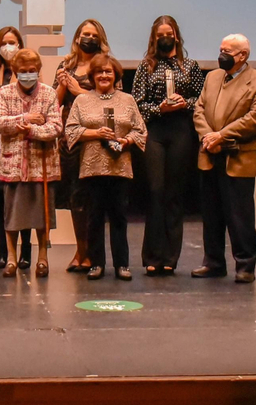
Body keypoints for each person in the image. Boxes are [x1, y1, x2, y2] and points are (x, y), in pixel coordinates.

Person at [192, 34, 256, 283]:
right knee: (211, 215)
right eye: (220, 49)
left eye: (227, 51)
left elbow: (254, 119)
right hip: (210, 154)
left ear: (242, 55)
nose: (221, 55)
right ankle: (213, 262)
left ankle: (245, 265)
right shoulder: (212, 77)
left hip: (238, 157)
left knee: (240, 216)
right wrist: (208, 136)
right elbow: (199, 109)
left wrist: (221, 136)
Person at [131, 15, 205, 276]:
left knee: (174, 193)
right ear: (154, 38)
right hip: (155, 130)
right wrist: (159, 109)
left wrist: (186, 103)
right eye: (160, 34)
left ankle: (170, 257)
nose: (165, 38)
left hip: (181, 130)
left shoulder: (190, 66)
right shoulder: (146, 66)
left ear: (176, 36)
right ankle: (152, 255)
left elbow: (202, 99)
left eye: (169, 33)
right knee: (156, 190)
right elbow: (137, 104)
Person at [64, 53, 146, 280]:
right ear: (92, 76)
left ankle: (122, 265)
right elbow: (70, 131)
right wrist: (95, 133)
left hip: (120, 166)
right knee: (94, 217)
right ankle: (96, 264)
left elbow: (140, 131)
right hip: (92, 167)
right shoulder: (82, 101)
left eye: (108, 72)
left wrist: (126, 141)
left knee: (119, 216)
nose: (103, 75)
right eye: (99, 72)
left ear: (115, 75)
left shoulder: (127, 100)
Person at [0, 49, 62, 278]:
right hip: (13, 165)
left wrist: (31, 130)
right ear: (15, 71)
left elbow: (55, 127)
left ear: (38, 70)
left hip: (41, 164)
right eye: (23, 71)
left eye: (32, 70)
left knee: (42, 217)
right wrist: (26, 118)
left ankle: (42, 258)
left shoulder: (49, 94)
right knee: (12, 216)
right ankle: (12, 258)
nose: (28, 74)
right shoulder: (5, 93)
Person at [54, 18, 110, 272]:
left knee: (93, 198)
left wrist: (78, 91)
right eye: (85, 34)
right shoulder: (66, 65)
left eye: (94, 35)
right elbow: (55, 103)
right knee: (75, 197)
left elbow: (112, 101)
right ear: (77, 38)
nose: (89, 39)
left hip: (97, 138)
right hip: (71, 139)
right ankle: (81, 250)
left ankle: (93, 253)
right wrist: (62, 85)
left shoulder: (106, 66)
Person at [0, 26, 31, 270]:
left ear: (20, 45)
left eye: (12, 42)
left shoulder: (29, 71)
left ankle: (26, 250)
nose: (8, 47)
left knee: (23, 198)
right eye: (4, 43)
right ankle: (3, 250)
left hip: (21, 140)